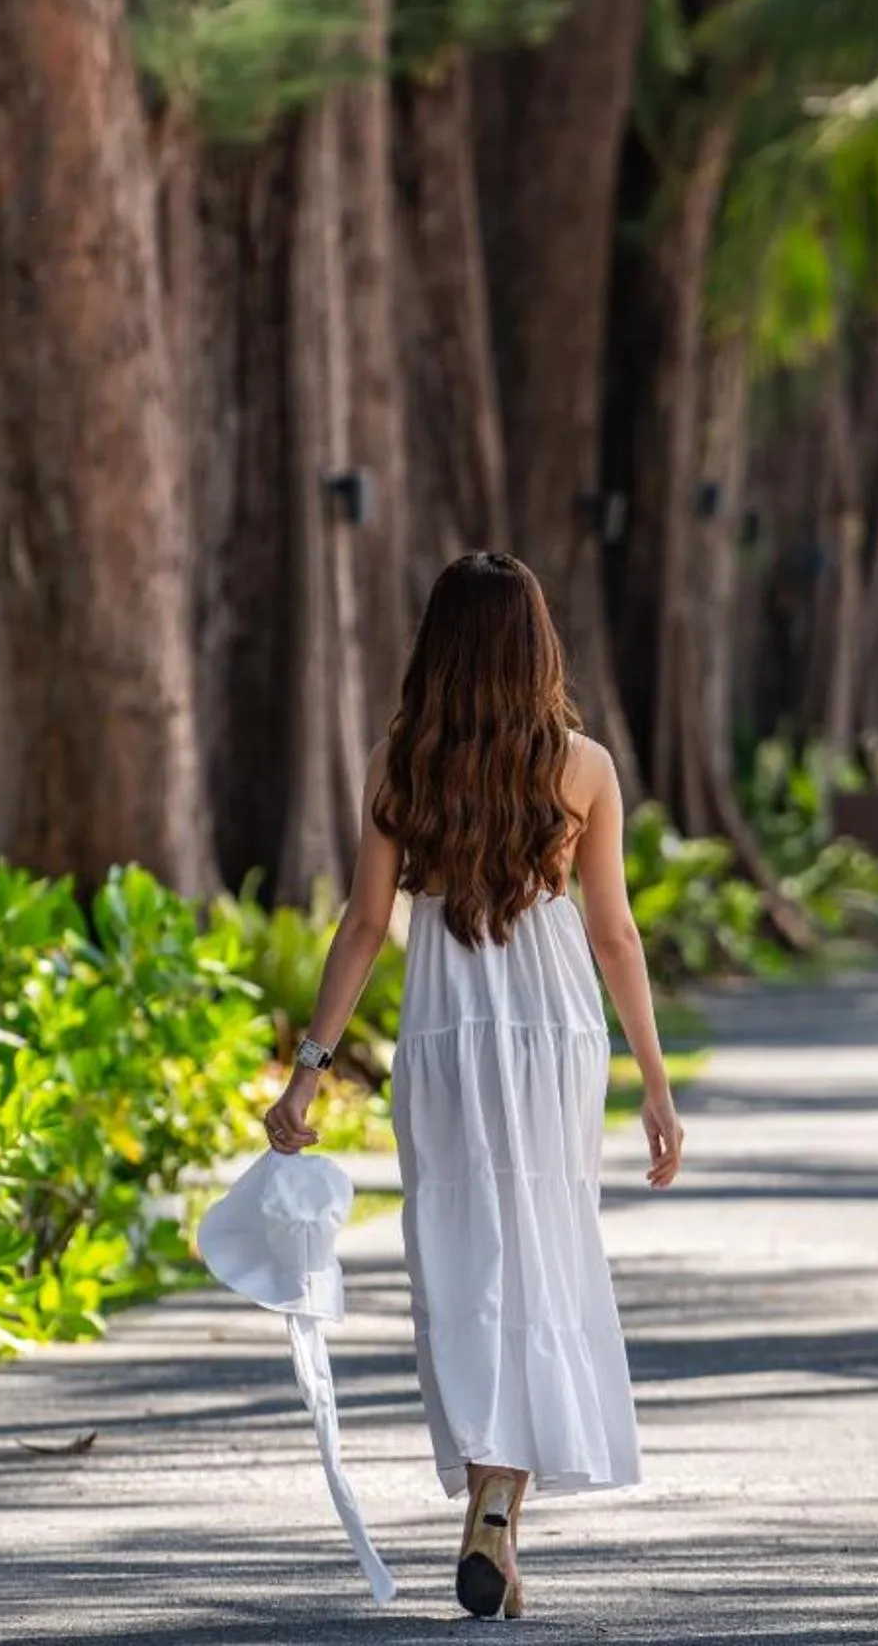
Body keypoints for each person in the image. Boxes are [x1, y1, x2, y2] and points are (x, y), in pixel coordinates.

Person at [264, 551, 685, 1621]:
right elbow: (613, 932)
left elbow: (364, 927)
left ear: (436, 648)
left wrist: (307, 1078)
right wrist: (654, 1082)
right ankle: (498, 1510)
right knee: (542, 1245)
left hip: (445, 1038)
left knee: (459, 1256)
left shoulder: (399, 763)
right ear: (536, 646)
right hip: (553, 1038)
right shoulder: (580, 767)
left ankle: (490, 1486)